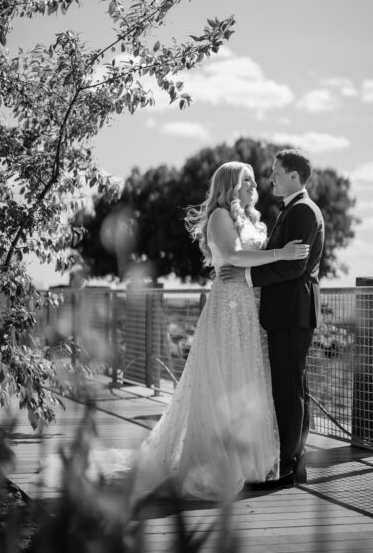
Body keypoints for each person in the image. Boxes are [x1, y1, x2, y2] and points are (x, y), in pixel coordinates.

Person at [130, 161, 309, 502]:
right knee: (224, 378)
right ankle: (214, 461)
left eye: (255, 180)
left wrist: (278, 256)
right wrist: (280, 253)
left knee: (245, 378)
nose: (254, 185)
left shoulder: (254, 219)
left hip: (248, 307)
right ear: (230, 185)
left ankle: (248, 460)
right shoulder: (219, 217)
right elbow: (231, 255)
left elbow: (254, 260)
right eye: (247, 181)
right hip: (227, 304)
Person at [215, 149, 324, 490]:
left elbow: (296, 266)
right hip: (288, 312)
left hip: (293, 312)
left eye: (277, 172)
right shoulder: (292, 209)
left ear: (294, 175)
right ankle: (294, 461)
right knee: (293, 388)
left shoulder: (303, 210)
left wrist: (247, 279)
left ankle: (290, 467)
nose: (271, 177)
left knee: (288, 390)